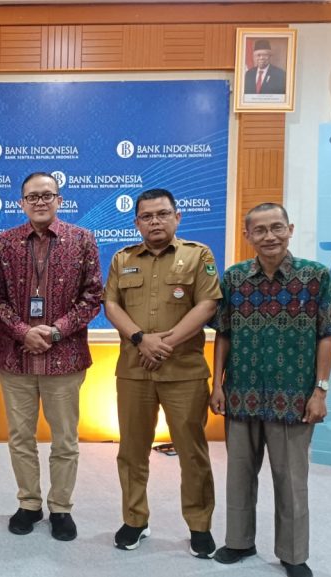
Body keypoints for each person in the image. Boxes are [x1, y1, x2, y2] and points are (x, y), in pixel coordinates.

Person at [210, 203, 331, 577]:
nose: (269, 236)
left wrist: (320, 391)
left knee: (291, 481)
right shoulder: (234, 278)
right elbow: (223, 334)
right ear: (247, 236)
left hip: (295, 399)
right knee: (238, 476)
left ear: (290, 229)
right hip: (241, 394)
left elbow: (327, 335)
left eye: (276, 227)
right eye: (260, 230)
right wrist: (217, 384)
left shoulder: (315, 276)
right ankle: (239, 541)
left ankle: (293, 554)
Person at [103, 188, 221, 558]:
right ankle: (135, 519)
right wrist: (141, 340)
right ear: (137, 222)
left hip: (183, 371)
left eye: (162, 214)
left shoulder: (198, 255)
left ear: (177, 217)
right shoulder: (123, 259)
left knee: (192, 452)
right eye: (147, 216)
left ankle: (199, 525)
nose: (155, 221)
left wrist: (163, 344)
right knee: (131, 451)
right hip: (134, 370)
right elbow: (111, 304)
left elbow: (207, 304)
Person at [0, 172, 102, 540]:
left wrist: (53, 331)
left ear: (59, 200)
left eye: (47, 195)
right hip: (15, 358)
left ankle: (61, 508)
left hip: (64, 357)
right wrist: (24, 331)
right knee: (20, 437)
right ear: (21, 202)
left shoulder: (82, 240)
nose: (39, 202)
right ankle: (29, 503)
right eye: (32, 196)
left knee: (65, 439)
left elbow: (92, 297)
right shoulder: (4, 243)